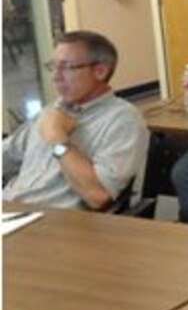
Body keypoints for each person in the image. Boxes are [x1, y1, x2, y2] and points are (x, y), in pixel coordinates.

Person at [2, 30, 149, 210]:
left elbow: (98, 196)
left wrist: (58, 139)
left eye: (67, 67)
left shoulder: (123, 120)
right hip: (9, 212)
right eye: (53, 67)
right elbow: (6, 156)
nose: (55, 76)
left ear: (100, 71)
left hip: (51, 224)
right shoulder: (52, 110)